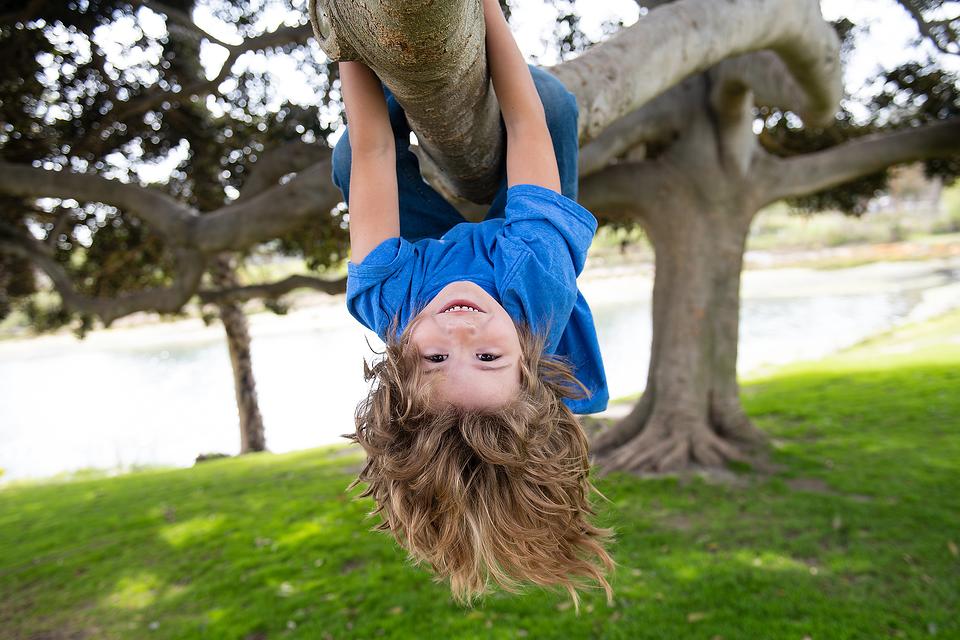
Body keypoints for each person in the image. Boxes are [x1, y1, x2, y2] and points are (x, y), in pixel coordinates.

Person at [333, 0, 613, 606]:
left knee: (345, 154)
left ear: (400, 363)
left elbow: (375, 151)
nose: (460, 334)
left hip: (426, 255)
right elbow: (527, 122)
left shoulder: (389, 300)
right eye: (487, 359)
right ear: (528, 363)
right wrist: (485, 8)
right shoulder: (538, 276)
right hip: (512, 264)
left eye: (434, 362)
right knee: (552, 101)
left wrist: (346, 36)